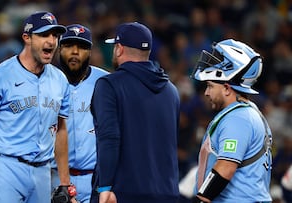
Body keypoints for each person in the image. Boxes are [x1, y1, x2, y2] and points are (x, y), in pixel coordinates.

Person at [0, 11, 72, 203]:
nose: (51, 41)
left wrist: (65, 181)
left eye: (55, 35)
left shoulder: (59, 79)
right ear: (27, 38)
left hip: (43, 170)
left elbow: (60, 129)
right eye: (44, 35)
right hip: (6, 167)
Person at [90, 22, 180, 203]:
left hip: (123, 193)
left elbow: (109, 138)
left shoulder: (109, 85)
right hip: (167, 193)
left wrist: (105, 186)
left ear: (119, 49)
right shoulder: (172, 91)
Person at [190, 39, 273, 203]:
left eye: (210, 86)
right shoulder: (241, 113)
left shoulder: (239, 118)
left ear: (227, 88)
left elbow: (225, 168)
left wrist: (201, 200)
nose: (206, 93)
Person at [50, 24, 109, 203]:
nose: (75, 52)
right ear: (59, 49)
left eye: (82, 47)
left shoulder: (106, 83)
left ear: (90, 52)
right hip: (54, 179)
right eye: (68, 46)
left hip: (97, 180)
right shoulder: (45, 82)